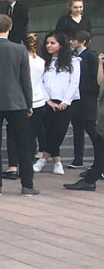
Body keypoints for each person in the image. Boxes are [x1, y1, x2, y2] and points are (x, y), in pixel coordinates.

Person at [0, 14, 37, 196]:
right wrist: (29, 103)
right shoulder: (20, 49)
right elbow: (25, 79)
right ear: (10, 27)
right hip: (17, 101)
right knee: (24, 143)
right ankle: (27, 185)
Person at [34, 32, 79, 177]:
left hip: (66, 101)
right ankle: (57, 162)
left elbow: (74, 82)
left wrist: (66, 101)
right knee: (48, 131)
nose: (49, 46)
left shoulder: (73, 61)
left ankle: (43, 158)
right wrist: (48, 100)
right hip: (47, 100)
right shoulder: (43, 61)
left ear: (61, 45)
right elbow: (39, 81)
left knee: (59, 131)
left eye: (52, 43)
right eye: (47, 43)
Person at [6, 32, 48, 181]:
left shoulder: (21, 60)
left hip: (22, 101)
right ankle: (27, 166)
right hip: (39, 100)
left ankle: (13, 166)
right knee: (31, 136)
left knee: (13, 134)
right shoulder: (42, 61)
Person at [68, 30, 101, 171]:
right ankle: (78, 159)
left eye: (74, 39)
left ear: (82, 41)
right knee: (77, 128)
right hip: (76, 97)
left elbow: (94, 78)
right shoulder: (73, 56)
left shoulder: (91, 56)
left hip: (87, 98)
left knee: (90, 127)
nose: (71, 42)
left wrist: (92, 95)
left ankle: (99, 160)